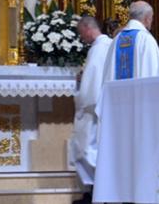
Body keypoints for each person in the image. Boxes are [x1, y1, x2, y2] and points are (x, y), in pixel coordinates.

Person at [68, 16, 111, 204]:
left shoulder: (100, 48)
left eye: (81, 33)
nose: (81, 38)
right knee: (91, 149)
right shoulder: (106, 46)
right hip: (101, 106)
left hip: (92, 108)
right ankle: (93, 191)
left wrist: (81, 100)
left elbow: (92, 85)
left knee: (87, 149)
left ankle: (95, 192)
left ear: (87, 28)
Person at [102, 1, 159, 82]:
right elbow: (152, 73)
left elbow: (107, 74)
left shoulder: (116, 39)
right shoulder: (146, 39)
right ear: (147, 19)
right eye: (152, 17)